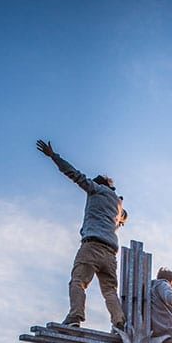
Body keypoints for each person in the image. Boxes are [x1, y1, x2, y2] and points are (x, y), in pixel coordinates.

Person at [36, 139, 127, 330]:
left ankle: (75, 316)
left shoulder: (96, 190)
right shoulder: (118, 204)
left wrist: (53, 156)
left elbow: (74, 174)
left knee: (78, 281)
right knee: (110, 290)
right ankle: (119, 322)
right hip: (111, 252)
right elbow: (124, 217)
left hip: (92, 246)